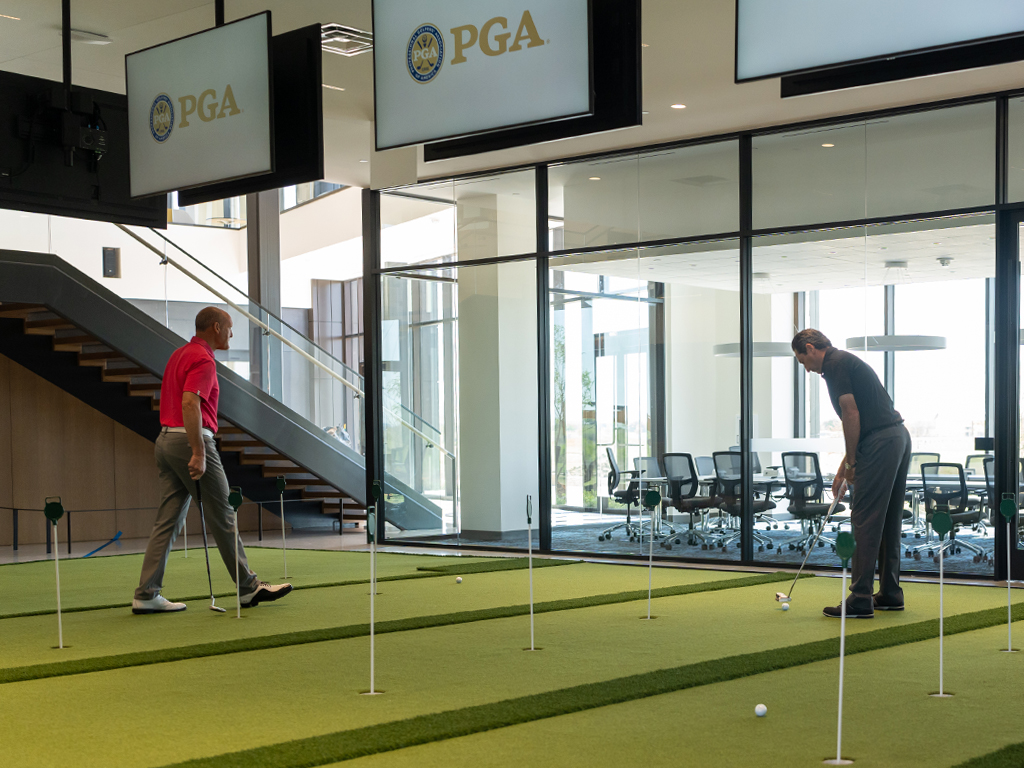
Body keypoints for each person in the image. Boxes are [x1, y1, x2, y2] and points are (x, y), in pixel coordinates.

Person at [133, 307, 292, 614]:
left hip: (165, 441)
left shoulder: (179, 354)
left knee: (167, 521)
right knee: (223, 514)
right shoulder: (203, 359)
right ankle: (248, 588)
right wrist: (198, 451)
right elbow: (190, 403)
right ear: (216, 327)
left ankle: (146, 594)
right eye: (230, 328)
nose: (232, 334)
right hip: (188, 440)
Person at [792, 329, 912, 619]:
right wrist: (844, 467)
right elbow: (863, 421)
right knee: (887, 519)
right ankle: (890, 593)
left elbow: (851, 413)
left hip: (881, 442)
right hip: (896, 437)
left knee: (865, 519)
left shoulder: (833, 364)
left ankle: (860, 598)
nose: (806, 368)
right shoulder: (845, 361)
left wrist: (850, 465)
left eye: (802, 360)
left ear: (810, 348)